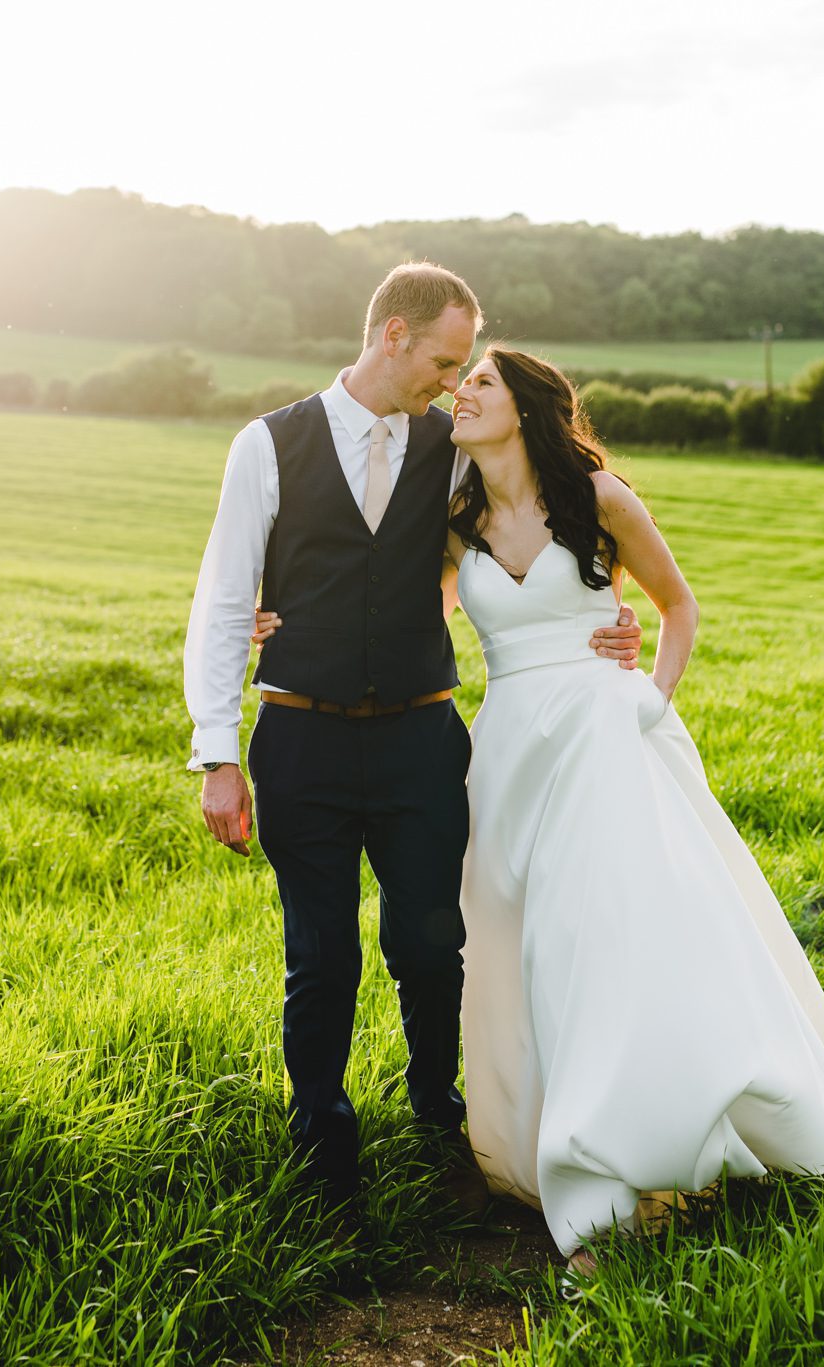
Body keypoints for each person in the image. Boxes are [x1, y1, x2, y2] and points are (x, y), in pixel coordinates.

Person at [254, 346, 824, 1272]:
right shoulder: (454, 519)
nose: (461, 392)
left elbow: (677, 605)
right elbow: (375, 595)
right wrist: (276, 615)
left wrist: (648, 702)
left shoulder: (598, 497)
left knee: (596, 942)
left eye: (483, 382)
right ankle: (540, 1136)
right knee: (519, 951)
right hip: (507, 754)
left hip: (597, 739)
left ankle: (613, 1175)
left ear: (528, 406)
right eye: (459, 380)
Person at [181, 264, 643, 1218]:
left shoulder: (455, 448)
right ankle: (324, 1148)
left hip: (423, 743)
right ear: (392, 334)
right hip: (300, 742)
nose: (453, 379)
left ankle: (440, 1113)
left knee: (432, 947)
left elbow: (548, 521)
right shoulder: (267, 446)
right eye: (443, 358)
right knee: (320, 954)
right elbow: (225, 599)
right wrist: (217, 751)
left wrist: (611, 617)